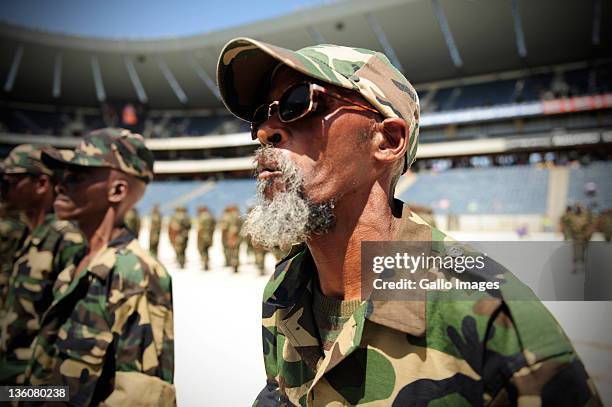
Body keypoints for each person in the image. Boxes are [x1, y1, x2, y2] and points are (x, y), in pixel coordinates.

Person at [217, 38, 602, 405]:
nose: (267, 131)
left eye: (298, 102)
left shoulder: (491, 320)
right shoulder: (285, 290)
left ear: (386, 141)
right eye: (259, 117)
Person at [26, 128, 175, 405]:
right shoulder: (78, 262)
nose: (60, 186)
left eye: (77, 177)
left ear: (117, 190)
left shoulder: (135, 273)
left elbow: (139, 399)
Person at [0, 144, 85, 385]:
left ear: (41, 184)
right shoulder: (24, 236)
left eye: (11, 182)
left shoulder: (65, 241)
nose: (3, 190)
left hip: (33, 387)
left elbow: (72, 342)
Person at [196, 205, 215, 271]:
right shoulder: (210, 216)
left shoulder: (202, 216)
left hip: (202, 236)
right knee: (206, 250)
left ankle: (205, 262)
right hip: (209, 236)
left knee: (202, 250)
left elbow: (200, 227)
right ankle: (206, 262)